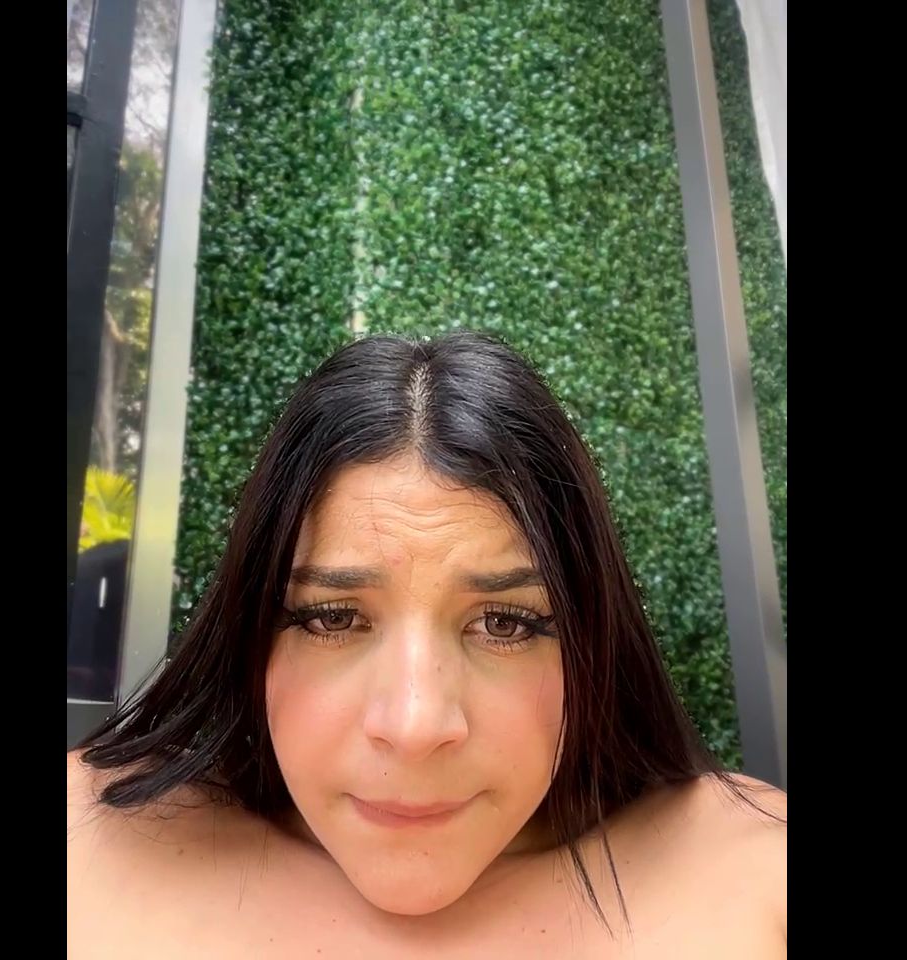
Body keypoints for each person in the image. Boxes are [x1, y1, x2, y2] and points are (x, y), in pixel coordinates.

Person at [68, 331, 786, 958]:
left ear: (592, 640)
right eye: (333, 618)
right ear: (248, 632)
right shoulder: (84, 843)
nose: (415, 726)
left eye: (505, 623)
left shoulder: (758, 875)